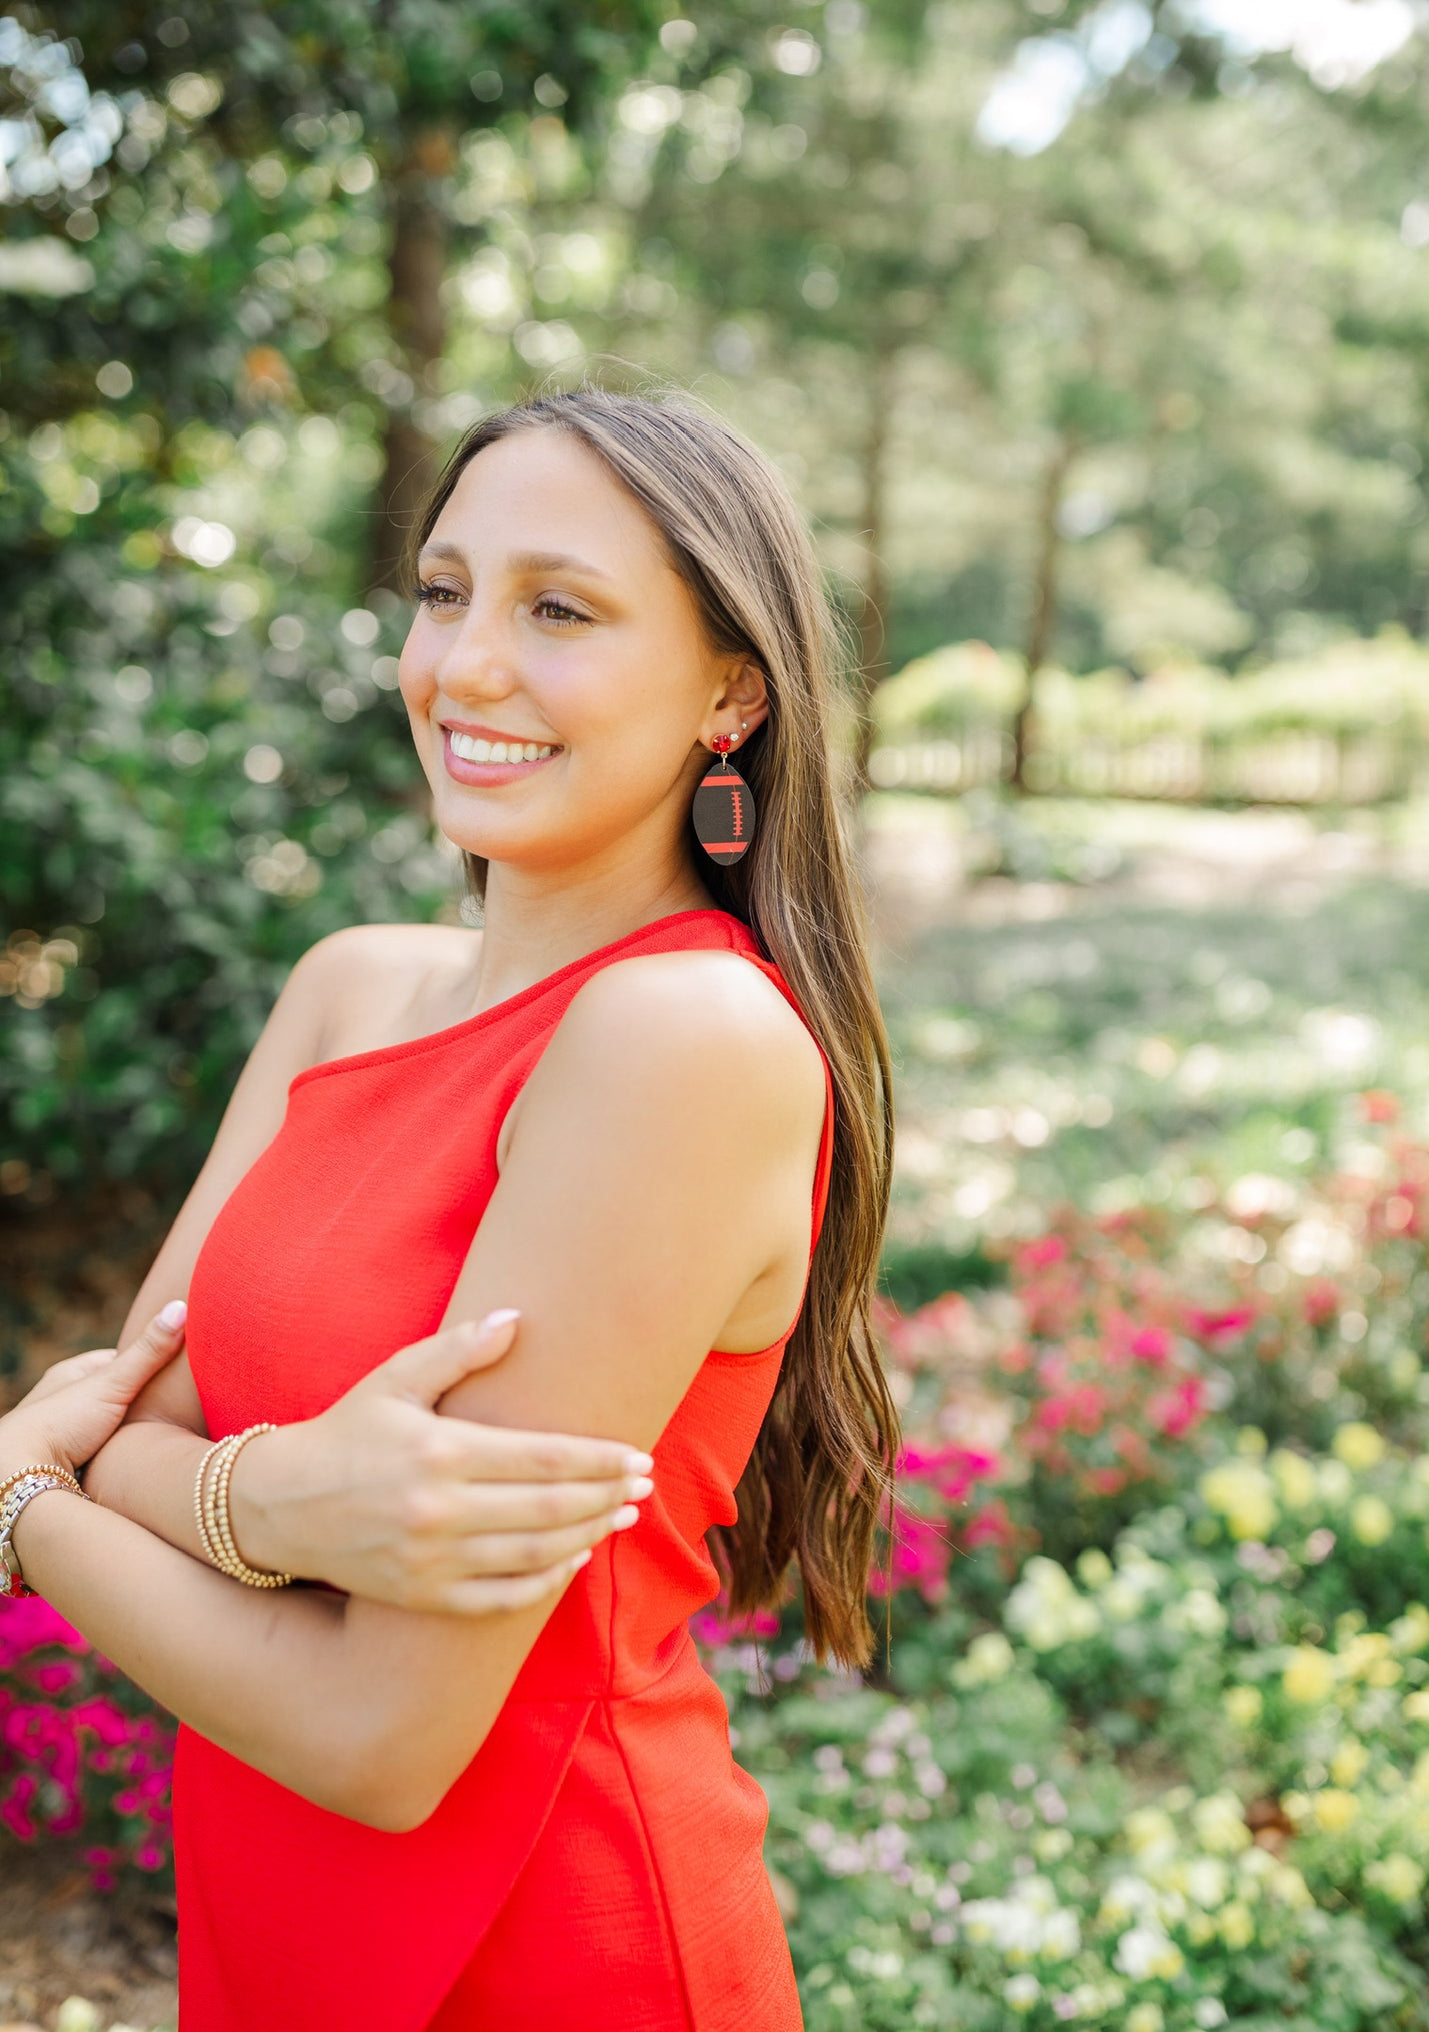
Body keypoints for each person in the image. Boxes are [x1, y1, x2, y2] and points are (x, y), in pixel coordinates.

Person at [0, 385, 897, 2030]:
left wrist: (21, 1500)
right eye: (442, 590)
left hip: (540, 1941)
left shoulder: (677, 1038)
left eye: (558, 608)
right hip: (270, 1919)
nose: (465, 663)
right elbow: (131, 1407)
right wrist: (270, 1507)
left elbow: (378, 1737)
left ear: (730, 691)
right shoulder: (349, 990)